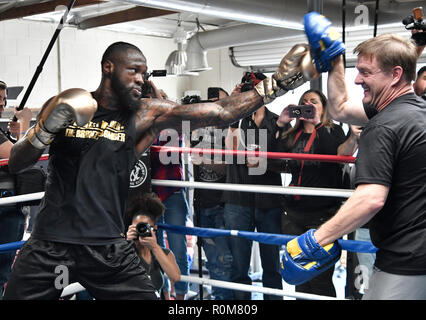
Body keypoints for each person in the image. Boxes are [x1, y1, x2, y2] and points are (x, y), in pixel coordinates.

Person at [3, 41, 313, 300]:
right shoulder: (69, 104)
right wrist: (43, 130)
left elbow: (219, 114)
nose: (141, 78)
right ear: (108, 67)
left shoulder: (145, 114)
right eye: (133, 71)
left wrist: (273, 86)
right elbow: (18, 162)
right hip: (50, 242)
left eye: (144, 73)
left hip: (107, 245)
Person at [282, 13, 426, 300]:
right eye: (356, 70)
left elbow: (370, 198)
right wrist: (336, 61)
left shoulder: (384, 126)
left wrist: (317, 239)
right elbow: (341, 108)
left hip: (406, 261)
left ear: (396, 74)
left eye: (366, 73)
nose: (358, 79)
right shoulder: (414, 110)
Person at [276, 89, 360, 297]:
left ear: (323, 108)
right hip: (294, 212)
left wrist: (317, 124)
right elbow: (273, 157)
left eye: (314, 102)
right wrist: (280, 123)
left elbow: (332, 155)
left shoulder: (333, 131)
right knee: (299, 276)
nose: (308, 105)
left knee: (320, 278)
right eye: (304, 102)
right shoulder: (292, 134)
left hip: (322, 213)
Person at [222, 72, 285, 300]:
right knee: (239, 267)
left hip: (269, 201)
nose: (255, 93)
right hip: (238, 200)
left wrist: (265, 162)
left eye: (258, 88)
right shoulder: (234, 121)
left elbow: (287, 162)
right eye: (250, 89)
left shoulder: (278, 121)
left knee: (272, 267)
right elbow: (229, 153)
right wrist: (233, 104)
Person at [190, 87, 233, 300]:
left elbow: (233, 166)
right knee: (213, 259)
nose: (216, 106)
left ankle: (226, 300)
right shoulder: (196, 128)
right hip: (202, 202)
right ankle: (219, 298)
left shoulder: (233, 129)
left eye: (222, 103)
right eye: (212, 102)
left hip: (224, 204)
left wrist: (205, 160)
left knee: (225, 259)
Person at [0, 80, 33, 299]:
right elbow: (17, 159)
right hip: (4, 209)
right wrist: (25, 125)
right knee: (2, 272)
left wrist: (15, 134)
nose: (2, 105)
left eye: (3, 99)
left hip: (7, 207)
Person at [150, 129, 191, 300]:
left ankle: (181, 298)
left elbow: (166, 154)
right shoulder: (143, 118)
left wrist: (145, 145)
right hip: (150, 194)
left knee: (178, 247)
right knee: (155, 247)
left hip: (172, 191)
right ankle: (164, 295)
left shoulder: (173, 123)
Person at [126, 193, 181, 296]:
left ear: (154, 228)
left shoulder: (163, 253)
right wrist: (127, 244)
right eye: (138, 227)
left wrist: (155, 247)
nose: (141, 230)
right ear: (131, 227)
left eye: (145, 227)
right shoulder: (124, 250)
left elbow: (175, 277)